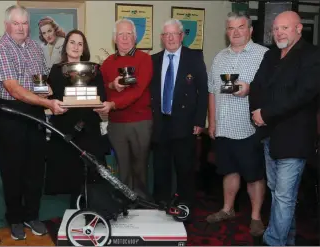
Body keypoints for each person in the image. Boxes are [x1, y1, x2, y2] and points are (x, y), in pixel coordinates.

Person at [0, 4, 67, 240]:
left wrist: (49, 92)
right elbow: (14, 89)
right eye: (16, 23)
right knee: (13, 170)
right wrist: (48, 104)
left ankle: (32, 215)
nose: (21, 28)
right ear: (6, 25)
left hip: (36, 113)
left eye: (24, 23)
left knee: (35, 168)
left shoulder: (33, 46)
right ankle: (15, 219)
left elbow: (40, 81)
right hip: (11, 114)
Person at [249, 11, 320, 246]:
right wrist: (257, 113)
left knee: (283, 195)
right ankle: (287, 239)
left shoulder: (312, 55)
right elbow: (257, 86)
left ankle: (273, 241)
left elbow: (302, 95)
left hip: (295, 138)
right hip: (269, 135)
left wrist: (265, 114)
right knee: (278, 193)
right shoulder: (270, 55)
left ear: (299, 29)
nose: (278, 32)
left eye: (285, 28)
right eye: (276, 29)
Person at [205, 12, 269, 237]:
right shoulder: (219, 57)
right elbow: (212, 91)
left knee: (254, 175)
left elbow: (273, 90)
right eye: (231, 28)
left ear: (250, 30)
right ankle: (227, 209)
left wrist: (250, 89)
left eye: (240, 27)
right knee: (228, 171)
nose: (235, 32)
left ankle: (255, 217)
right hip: (224, 126)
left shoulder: (264, 55)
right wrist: (212, 122)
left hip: (251, 126)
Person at [44, 29, 108, 208]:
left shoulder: (94, 70)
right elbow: (51, 98)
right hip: (65, 130)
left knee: (92, 174)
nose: (76, 47)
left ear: (84, 48)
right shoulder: (56, 70)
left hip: (89, 128)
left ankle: (94, 211)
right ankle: (74, 211)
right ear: (66, 46)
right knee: (70, 175)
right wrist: (48, 96)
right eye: (72, 42)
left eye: (80, 43)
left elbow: (100, 96)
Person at [149, 19, 208, 210]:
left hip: (185, 123)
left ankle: (185, 205)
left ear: (181, 36)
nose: (170, 38)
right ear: (161, 38)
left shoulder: (194, 57)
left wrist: (200, 120)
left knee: (185, 168)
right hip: (160, 123)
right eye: (167, 34)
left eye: (174, 34)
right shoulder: (154, 60)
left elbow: (203, 90)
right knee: (161, 167)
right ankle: (162, 203)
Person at [94, 18, 153, 199]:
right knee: (122, 165)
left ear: (135, 38)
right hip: (116, 123)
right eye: (121, 34)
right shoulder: (107, 63)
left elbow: (137, 91)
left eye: (129, 34)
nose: (125, 38)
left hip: (140, 122)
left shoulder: (145, 59)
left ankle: (142, 201)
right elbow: (101, 87)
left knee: (140, 165)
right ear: (114, 38)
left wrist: (113, 104)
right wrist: (112, 85)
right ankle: (125, 201)